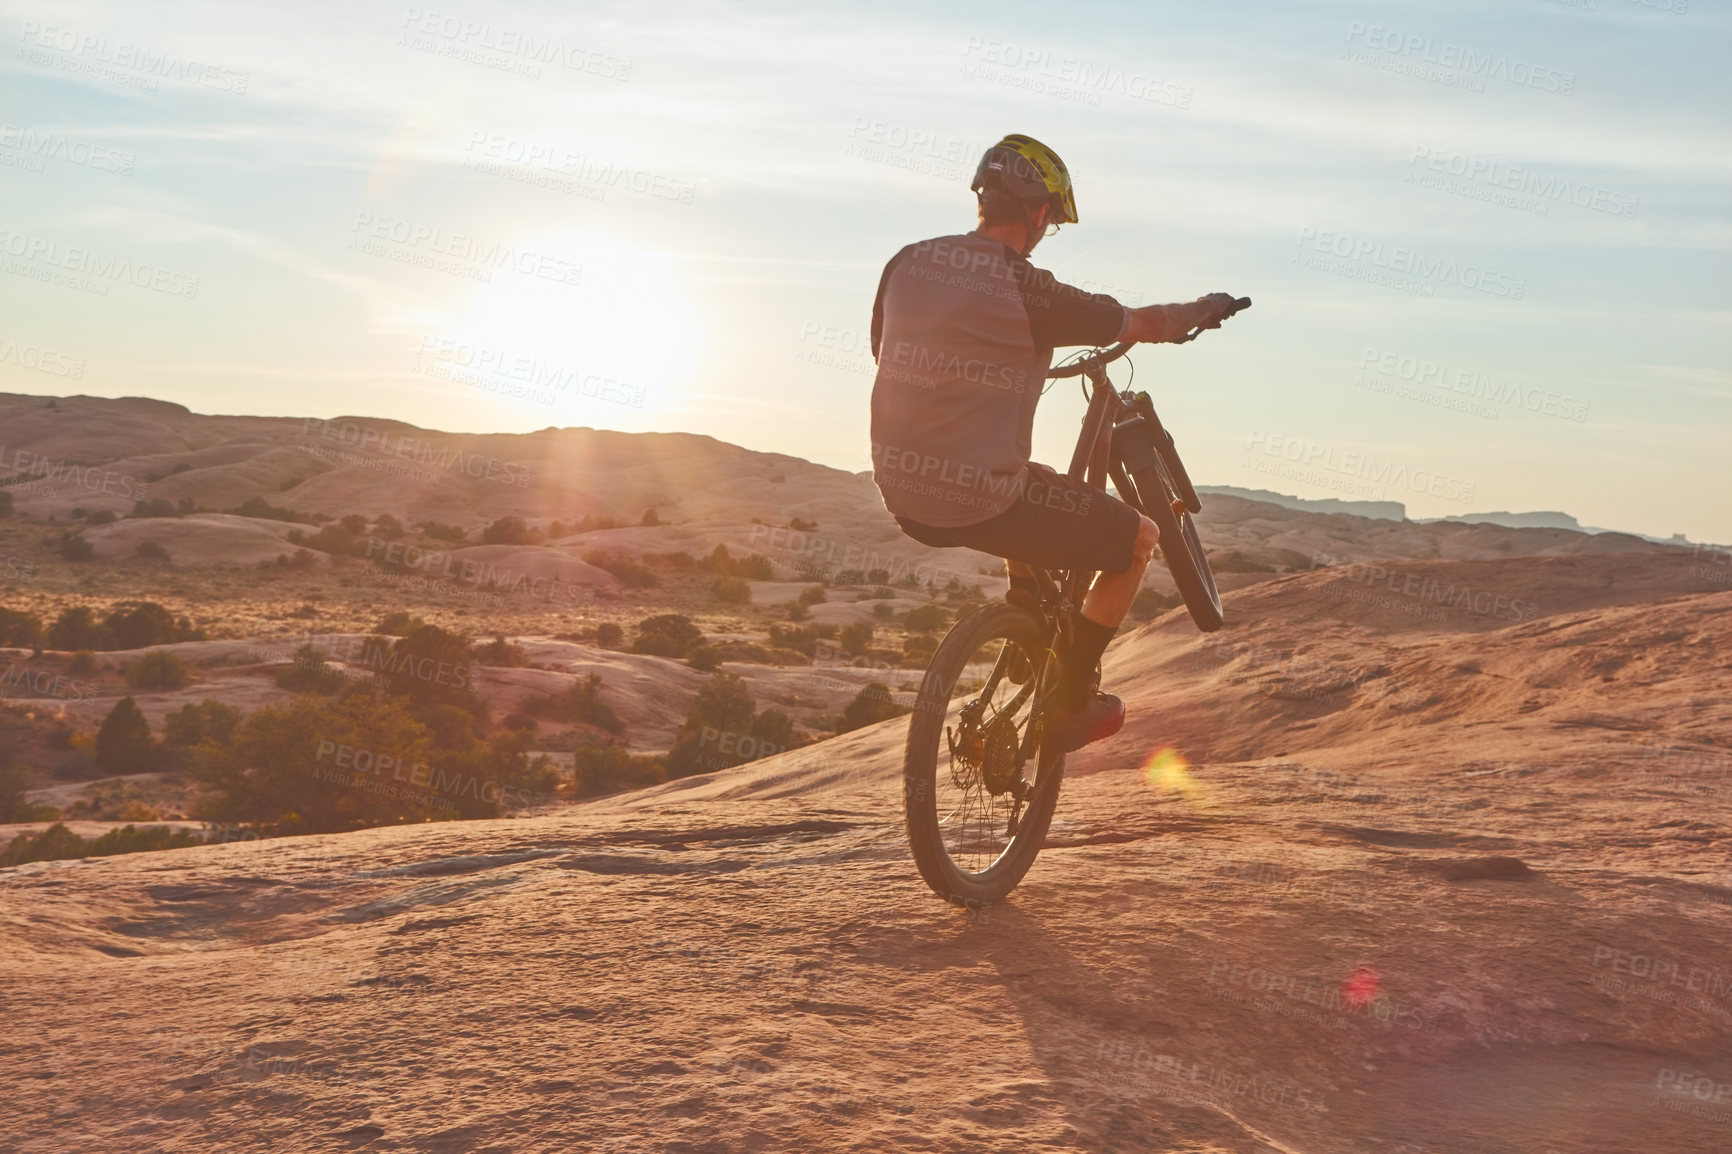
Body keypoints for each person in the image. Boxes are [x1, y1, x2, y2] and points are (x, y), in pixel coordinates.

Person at [867, 132, 1243, 752]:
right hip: (980, 500)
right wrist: (1204, 309)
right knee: (1139, 539)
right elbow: (1146, 323)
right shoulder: (1027, 289)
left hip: (902, 493)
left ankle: (1025, 613)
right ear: (1040, 212)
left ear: (984, 196)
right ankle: (1070, 703)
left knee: (1023, 478)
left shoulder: (907, 262)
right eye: (1052, 220)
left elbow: (885, 349)